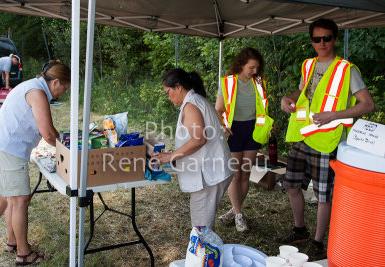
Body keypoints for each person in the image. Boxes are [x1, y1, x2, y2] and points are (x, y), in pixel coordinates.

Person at [277, 18, 375, 259]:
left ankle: (319, 242)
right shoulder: (308, 64)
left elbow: (368, 104)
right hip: (302, 135)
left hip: (327, 140)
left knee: (323, 196)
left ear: (335, 39)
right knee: (291, 186)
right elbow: (303, 92)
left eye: (327, 38)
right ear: (311, 40)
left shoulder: (347, 70)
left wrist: (335, 114)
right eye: (316, 38)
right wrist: (286, 98)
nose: (322, 43)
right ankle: (300, 230)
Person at [0, 60, 70, 265]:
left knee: (12, 199)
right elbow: (48, 133)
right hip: (8, 149)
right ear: (56, 81)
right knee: (20, 200)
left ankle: (12, 242)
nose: (64, 93)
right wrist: (68, 149)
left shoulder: (32, 86)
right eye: (64, 88)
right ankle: (23, 253)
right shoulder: (38, 93)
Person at [151, 68, 234, 230]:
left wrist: (170, 157)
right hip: (213, 172)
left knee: (201, 230)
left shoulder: (191, 105)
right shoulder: (196, 100)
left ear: (178, 87)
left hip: (210, 175)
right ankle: (205, 252)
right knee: (202, 226)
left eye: (168, 92)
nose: (168, 97)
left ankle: (205, 254)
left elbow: (199, 139)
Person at [215, 47, 274, 232]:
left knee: (245, 172)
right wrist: (222, 127)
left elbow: (262, 106)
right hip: (233, 131)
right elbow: (218, 109)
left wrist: (268, 124)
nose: (255, 71)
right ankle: (239, 215)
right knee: (235, 174)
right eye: (251, 67)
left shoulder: (259, 81)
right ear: (241, 64)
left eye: (257, 67)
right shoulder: (227, 83)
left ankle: (235, 210)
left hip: (254, 129)